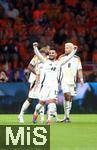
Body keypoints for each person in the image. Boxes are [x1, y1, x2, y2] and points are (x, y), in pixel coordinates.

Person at [32, 42, 77, 124]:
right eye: (50, 53)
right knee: (41, 104)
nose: (51, 54)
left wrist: (74, 51)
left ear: (56, 55)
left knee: (52, 103)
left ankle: (48, 120)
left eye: (53, 53)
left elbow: (68, 58)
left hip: (54, 86)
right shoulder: (45, 61)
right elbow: (38, 54)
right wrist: (35, 47)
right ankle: (35, 112)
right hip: (45, 86)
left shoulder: (58, 63)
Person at [18, 46, 49, 123]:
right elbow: (29, 67)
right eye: (41, 52)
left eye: (43, 53)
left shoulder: (47, 59)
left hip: (43, 82)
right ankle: (21, 115)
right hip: (35, 81)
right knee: (30, 99)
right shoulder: (36, 57)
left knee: (42, 99)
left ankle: (42, 118)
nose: (41, 54)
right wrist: (37, 73)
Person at [60, 42, 84, 122]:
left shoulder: (77, 58)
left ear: (71, 48)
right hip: (63, 80)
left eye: (67, 47)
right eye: (65, 47)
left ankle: (67, 116)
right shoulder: (61, 57)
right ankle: (66, 116)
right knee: (67, 95)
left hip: (72, 81)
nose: (65, 49)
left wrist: (81, 79)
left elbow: (79, 69)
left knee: (70, 98)